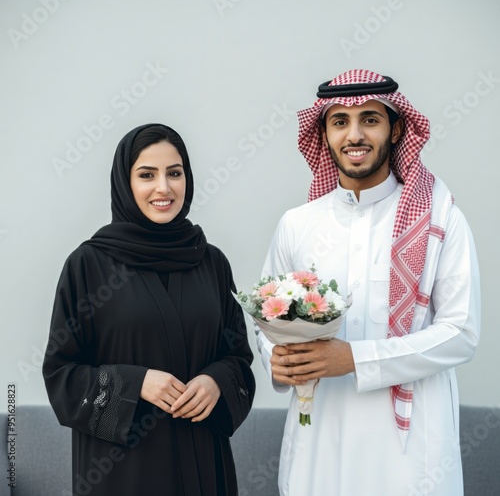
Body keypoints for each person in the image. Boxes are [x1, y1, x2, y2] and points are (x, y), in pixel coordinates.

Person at [256, 70, 480, 495]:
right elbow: (266, 319)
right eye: (339, 121)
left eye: (370, 120)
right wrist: (276, 358)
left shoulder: (439, 216)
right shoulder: (297, 224)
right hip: (319, 434)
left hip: (410, 447)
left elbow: (461, 332)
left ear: (397, 129)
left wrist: (355, 361)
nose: (354, 135)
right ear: (323, 134)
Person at [43, 123, 255, 495]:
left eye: (175, 173)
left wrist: (216, 381)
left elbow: (237, 356)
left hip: (204, 463)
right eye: (146, 175)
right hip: (122, 473)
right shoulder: (89, 266)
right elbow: (62, 376)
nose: (164, 188)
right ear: (125, 184)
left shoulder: (211, 263)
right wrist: (136, 383)